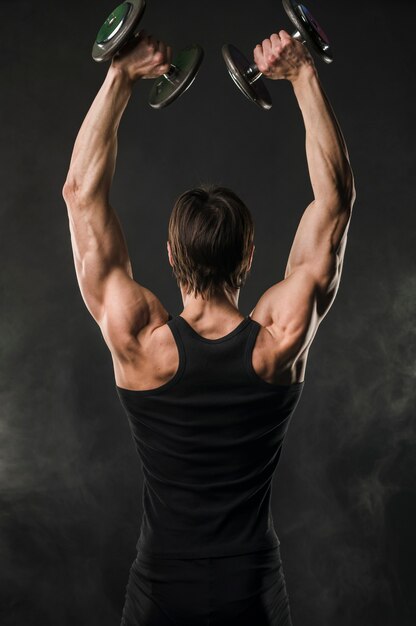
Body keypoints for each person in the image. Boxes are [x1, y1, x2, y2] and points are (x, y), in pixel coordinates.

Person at [63, 27, 355, 626]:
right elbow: (335, 202)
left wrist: (119, 77)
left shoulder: (141, 342)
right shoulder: (279, 340)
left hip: (160, 594)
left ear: (172, 256)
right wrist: (301, 74)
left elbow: (79, 196)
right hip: (252, 593)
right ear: (249, 256)